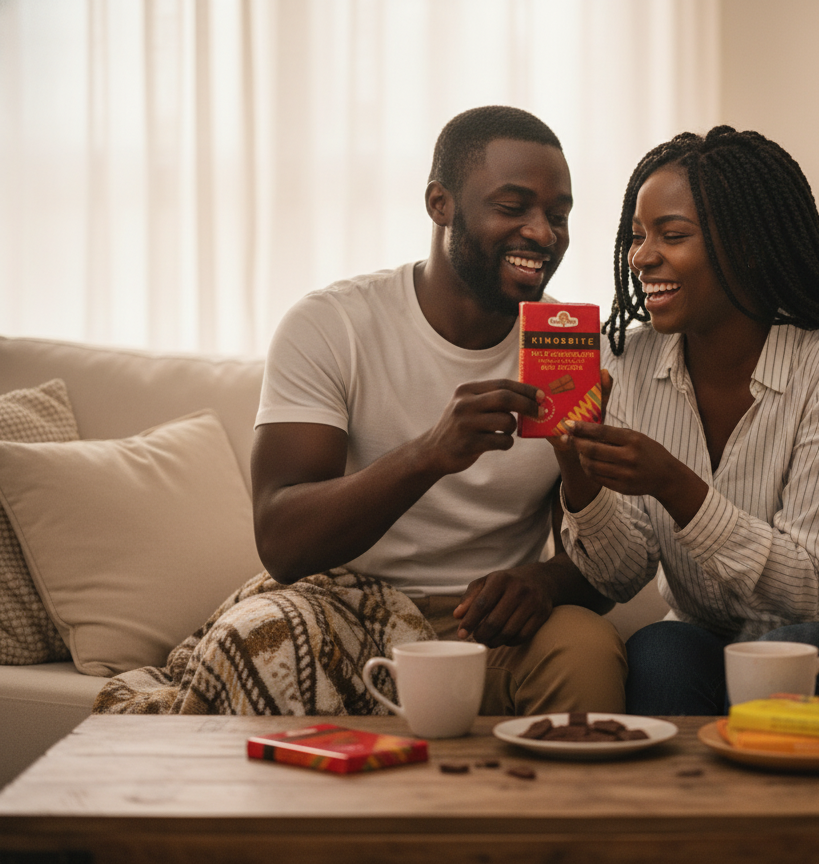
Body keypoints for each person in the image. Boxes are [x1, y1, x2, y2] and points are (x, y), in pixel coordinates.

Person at [94, 106, 625, 717]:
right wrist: (428, 455)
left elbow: (606, 558)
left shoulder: (572, 349)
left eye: (559, 216)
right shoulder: (333, 325)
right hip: (341, 613)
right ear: (440, 204)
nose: (543, 233)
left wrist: (546, 582)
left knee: (586, 648)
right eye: (513, 207)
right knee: (265, 638)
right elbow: (283, 543)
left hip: (492, 629)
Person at [552, 126, 819, 715]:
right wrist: (574, 464)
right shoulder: (629, 361)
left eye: (671, 235)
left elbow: (802, 586)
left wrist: (674, 483)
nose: (642, 256)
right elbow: (619, 575)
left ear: (747, 246)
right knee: (658, 652)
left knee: (774, 661)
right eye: (637, 237)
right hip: (713, 637)